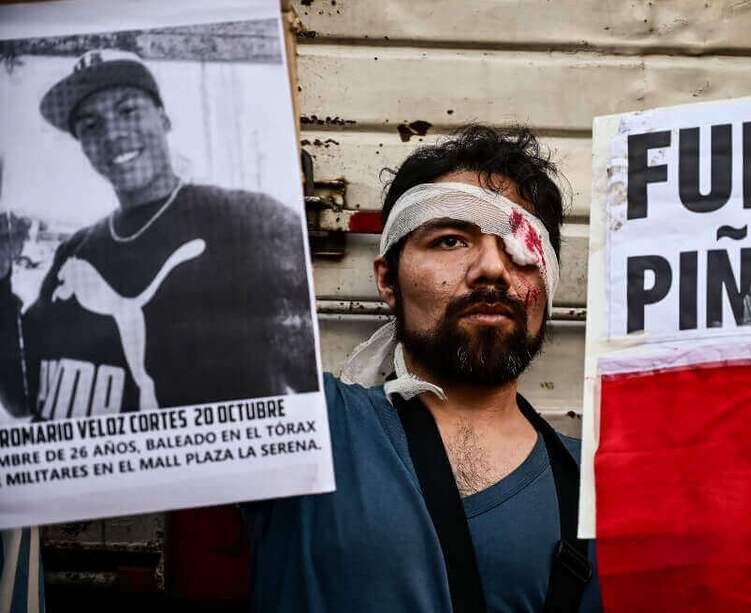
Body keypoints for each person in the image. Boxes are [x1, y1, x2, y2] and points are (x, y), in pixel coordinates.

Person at [244, 125, 602, 612]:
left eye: (521, 248)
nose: (492, 269)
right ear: (387, 280)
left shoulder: (603, 489)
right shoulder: (308, 429)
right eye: (451, 241)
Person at [0, 49, 317, 420]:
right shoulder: (74, 251)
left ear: (164, 119)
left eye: (128, 110)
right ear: (84, 147)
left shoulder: (252, 222)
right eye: (90, 125)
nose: (112, 133)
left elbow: (314, 383)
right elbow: (21, 395)